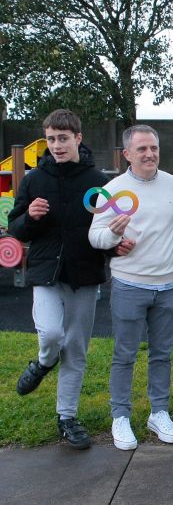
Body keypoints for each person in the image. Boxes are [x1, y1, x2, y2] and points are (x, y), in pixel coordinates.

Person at [8, 109, 109, 450]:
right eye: (51, 139)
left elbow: (105, 231)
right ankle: (43, 361)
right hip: (45, 273)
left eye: (63, 138)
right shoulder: (35, 179)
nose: (56, 145)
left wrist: (117, 240)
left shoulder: (97, 181)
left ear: (78, 138)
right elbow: (16, 226)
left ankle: (67, 417)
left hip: (84, 274)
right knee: (51, 334)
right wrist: (30, 218)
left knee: (76, 350)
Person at [89, 125, 173, 451]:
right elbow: (95, 236)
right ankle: (120, 415)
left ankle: (159, 412)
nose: (149, 154)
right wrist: (114, 237)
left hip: (169, 285)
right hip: (130, 284)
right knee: (125, 355)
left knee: (162, 354)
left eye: (154, 148)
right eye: (142, 149)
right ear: (127, 154)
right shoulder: (112, 189)